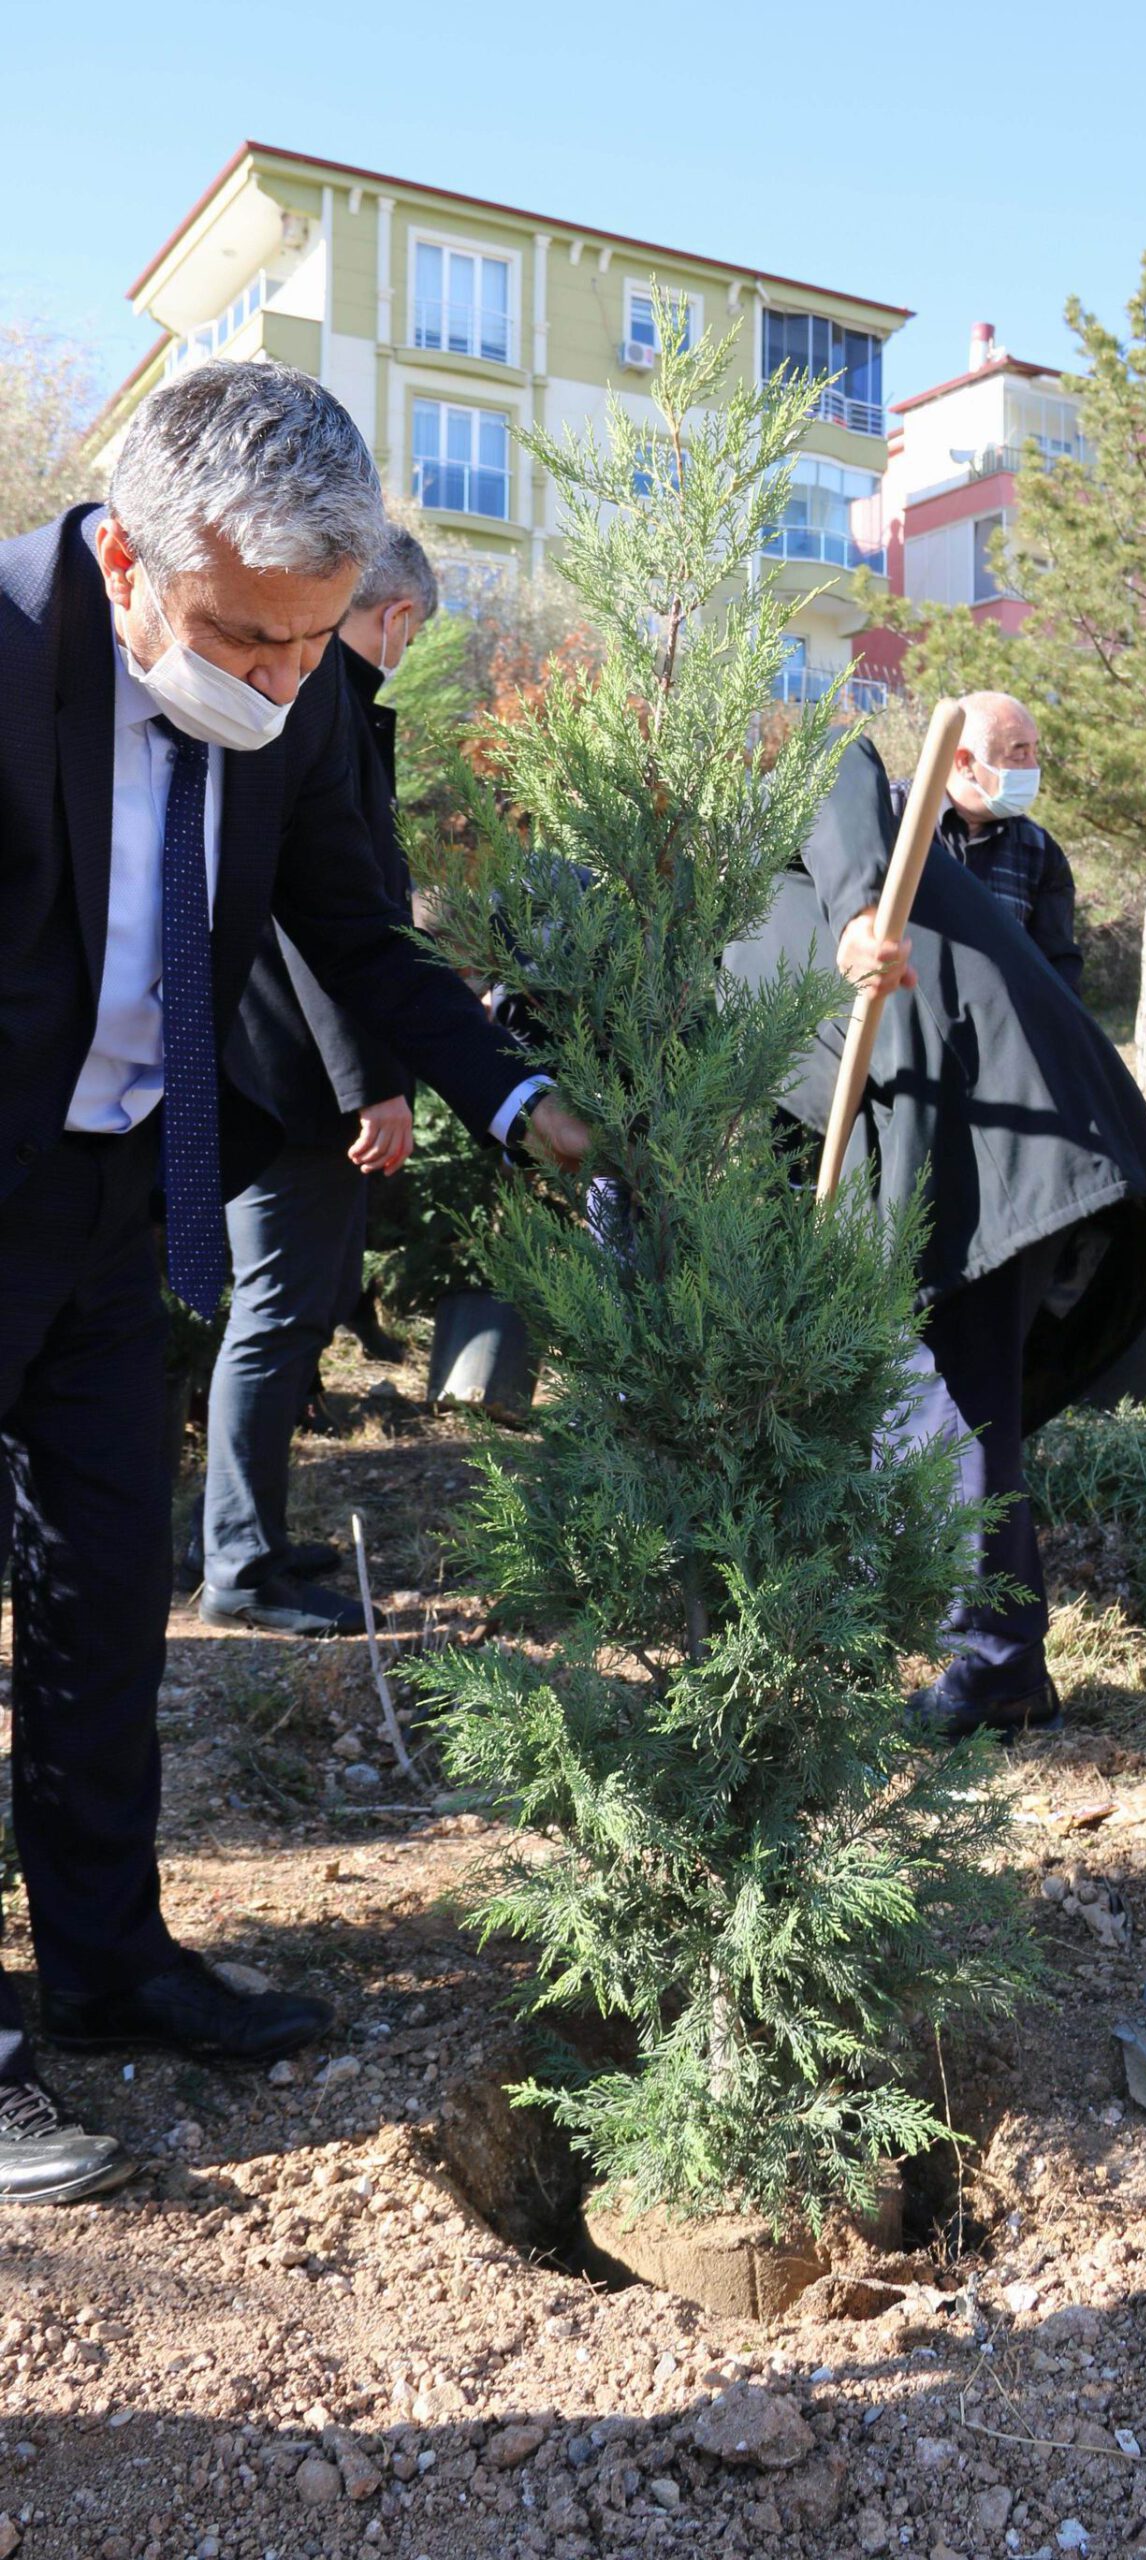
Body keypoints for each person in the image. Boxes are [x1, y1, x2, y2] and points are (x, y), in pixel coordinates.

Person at [0, 361, 585, 2203]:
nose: (272, 679)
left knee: (106, 1597)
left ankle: (106, 1967)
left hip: (107, 1202)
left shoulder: (304, 693)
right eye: (240, 635)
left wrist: (521, 1099)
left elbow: (359, 935)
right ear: (122, 562)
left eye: (309, 645)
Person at [726, 731, 1146, 1741]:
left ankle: (994, 1670)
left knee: (938, 1406)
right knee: (944, 1405)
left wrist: (860, 910)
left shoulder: (771, 820)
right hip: (923, 1149)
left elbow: (831, 764)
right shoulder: (709, 942)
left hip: (985, 1124)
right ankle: (997, 1661)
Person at [199, 526, 437, 1636]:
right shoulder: (315, 697)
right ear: (392, 616)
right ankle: (240, 1567)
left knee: (293, 1320)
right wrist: (369, 1081)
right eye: (416, 632)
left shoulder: (317, 693)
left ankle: (261, 1546)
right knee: (275, 1313)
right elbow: (320, 922)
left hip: (294, 1075)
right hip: (291, 1081)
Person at [901, 690, 1082, 992]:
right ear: (964, 762)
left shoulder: (1039, 851)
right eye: (1019, 753)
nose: (1034, 767)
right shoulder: (891, 814)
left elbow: (1056, 966)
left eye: (1035, 751)